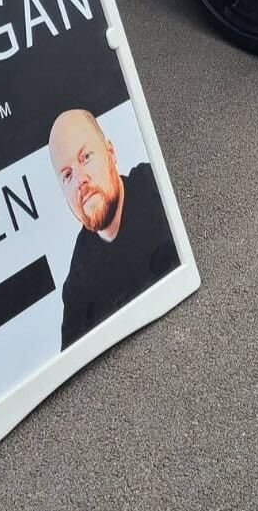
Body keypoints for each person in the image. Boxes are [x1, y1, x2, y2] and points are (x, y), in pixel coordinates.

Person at [48, 108, 179, 349]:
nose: (80, 181)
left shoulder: (155, 186)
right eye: (67, 175)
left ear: (110, 152)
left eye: (86, 157)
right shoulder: (78, 285)